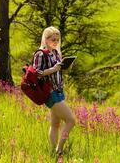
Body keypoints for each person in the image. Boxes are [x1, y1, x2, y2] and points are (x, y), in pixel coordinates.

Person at [33, 26, 76, 155]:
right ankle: (59, 149)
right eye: (53, 39)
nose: (56, 42)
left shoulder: (56, 53)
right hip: (50, 92)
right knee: (71, 120)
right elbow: (37, 74)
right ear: (45, 39)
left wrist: (64, 66)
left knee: (55, 124)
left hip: (59, 90)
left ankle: (53, 151)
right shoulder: (40, 53)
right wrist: (53, 69)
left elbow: (57, 69)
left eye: (57, 39)